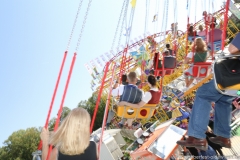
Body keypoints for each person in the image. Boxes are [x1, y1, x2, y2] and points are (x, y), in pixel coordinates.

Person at [176, 33, 240, 151]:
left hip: (234, 75)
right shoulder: (206, 52)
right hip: (220, 76)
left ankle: (197, 137)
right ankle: (224, 136)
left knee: (203, 94)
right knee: (224, 100)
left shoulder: (193, 53)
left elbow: (232, 49)